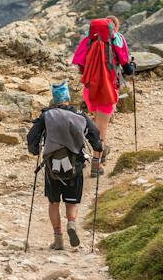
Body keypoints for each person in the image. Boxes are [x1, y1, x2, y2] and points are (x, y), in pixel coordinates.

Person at [26, 82, 104, 251]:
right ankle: (71, 223)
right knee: (71, 202)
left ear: (54, 99)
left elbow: (32, 136)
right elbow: (95, 136)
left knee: (53, 203)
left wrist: (34, 150)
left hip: (52, 167)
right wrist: (98, 148)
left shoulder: (47, 116)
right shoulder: (80, 115)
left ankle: (58, 239)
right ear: (68, 97)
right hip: (75, 165)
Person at [71, 17, 132, 174]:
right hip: (108, 89)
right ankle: (96, 164)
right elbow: (127, 67)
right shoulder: (118, 39)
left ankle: (97, 152)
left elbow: (79, 63)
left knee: (96, 123)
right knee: (101, 129)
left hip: (89, 89)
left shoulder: (88, 39)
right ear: (114, 27)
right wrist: (131, 66)